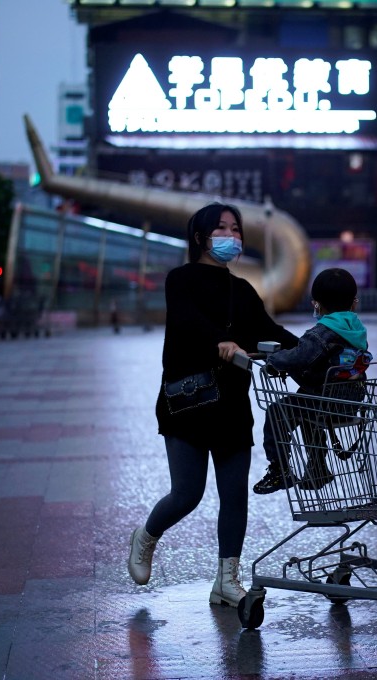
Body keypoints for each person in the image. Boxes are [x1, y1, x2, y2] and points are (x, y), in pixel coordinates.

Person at [127, 202, 299, 609]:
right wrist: (219, 342)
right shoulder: (180, 279)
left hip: (232, 406)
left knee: (234, 494)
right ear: (201, 237)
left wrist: (315, 350)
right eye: (221, 229)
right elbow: (187, 321)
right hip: (188, 402)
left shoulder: (242, 289)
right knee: (187, 493)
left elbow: (268, 331)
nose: (231, 236)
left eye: (236, 229)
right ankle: (146, 536)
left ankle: (226, 579)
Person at [253, 268, 371, 495]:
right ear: (353, 303)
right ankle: (317, 468)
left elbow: (300, 357)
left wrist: (273, 361)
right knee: (306, 409)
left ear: (316, 304)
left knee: (277, 413)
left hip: (325, 400)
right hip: (350, 400)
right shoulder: (355, 328)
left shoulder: (322, 332)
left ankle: (279, 470)